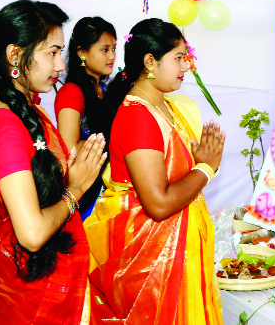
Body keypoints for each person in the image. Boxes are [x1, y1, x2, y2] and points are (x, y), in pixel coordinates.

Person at [84, 18, 225, 324]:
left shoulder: (165, 106)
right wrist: (205, 168)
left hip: (173, 248)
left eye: (185, 57)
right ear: (150, 62)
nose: (186, 66)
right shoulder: (138, 117)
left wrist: (196, 162)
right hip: (153, 258)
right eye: (178, 58)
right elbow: (158, 204)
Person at [0, 0, 107, 324]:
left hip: (49, 278)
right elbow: (31, 232)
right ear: (15, 55)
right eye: (51, 52)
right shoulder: (5, 126)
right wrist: (75, 189)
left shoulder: (30, 112)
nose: (60, 65)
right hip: (29, 294)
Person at [55, 17, 116, 219]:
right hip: (84, 189)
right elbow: (68, 148)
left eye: (114, 48)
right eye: (105, 49)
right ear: (81, 53)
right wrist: (110, 138)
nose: (112, 56)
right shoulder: (71, 92)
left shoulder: (106, 91)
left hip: (109, 185)